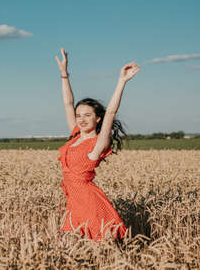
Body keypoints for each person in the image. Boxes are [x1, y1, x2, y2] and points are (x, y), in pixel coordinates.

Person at [54, 48, 140, 241]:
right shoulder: (75, 135)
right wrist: (64, 74)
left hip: (89, 203)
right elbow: (68, 104)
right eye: (79, 116)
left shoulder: (98, 142)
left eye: (87, 115)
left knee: (95, 248)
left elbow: (110, 112)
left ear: (97, 119)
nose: (81, 119)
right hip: (74, 202)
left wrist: (122, 81)